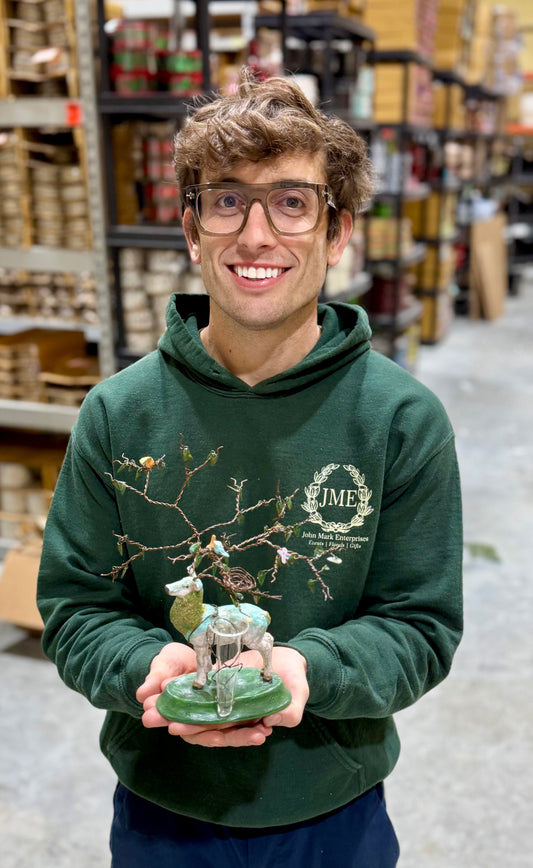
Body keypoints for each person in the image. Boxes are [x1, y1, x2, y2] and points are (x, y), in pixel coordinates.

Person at [37, 68, 463, 867]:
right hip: (165, 806)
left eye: (292, 203)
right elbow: (75, 609)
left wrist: (308, 669)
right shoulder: (118, 414)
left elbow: (420, 625)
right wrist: (150, 669)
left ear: (336, 233)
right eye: (227, 200)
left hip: (330, 806)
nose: (256, 235)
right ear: (193, 230)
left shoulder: (400, 420)